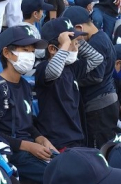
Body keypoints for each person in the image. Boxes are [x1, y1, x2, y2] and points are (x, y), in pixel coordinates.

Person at [0, 26, 56, 184]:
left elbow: (28, 123)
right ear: (7, 53)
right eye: (25, 50)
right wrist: (27, 146)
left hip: (30, 149)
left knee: (70, 165)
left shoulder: (25, 85)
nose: (30, 56)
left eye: (32, 51)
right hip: (12, 153)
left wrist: (40, 138)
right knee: (57, 176)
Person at [34, 17, 103, 149]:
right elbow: (54, 72)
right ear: (53, 49)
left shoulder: (71, 67)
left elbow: (97, 58)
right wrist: (66, 44)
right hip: (58, 139)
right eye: (72, 43)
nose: (75, 48)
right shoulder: (43, 67)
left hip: (76, 136)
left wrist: (77, 42)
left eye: (76, 43)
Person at [64, 6, 120, 148]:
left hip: (99, 105)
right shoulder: (102, 37)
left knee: (98, 153)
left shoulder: (97, 42)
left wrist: (70, 81)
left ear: (78, 27)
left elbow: (96, 76)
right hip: (105, 102)